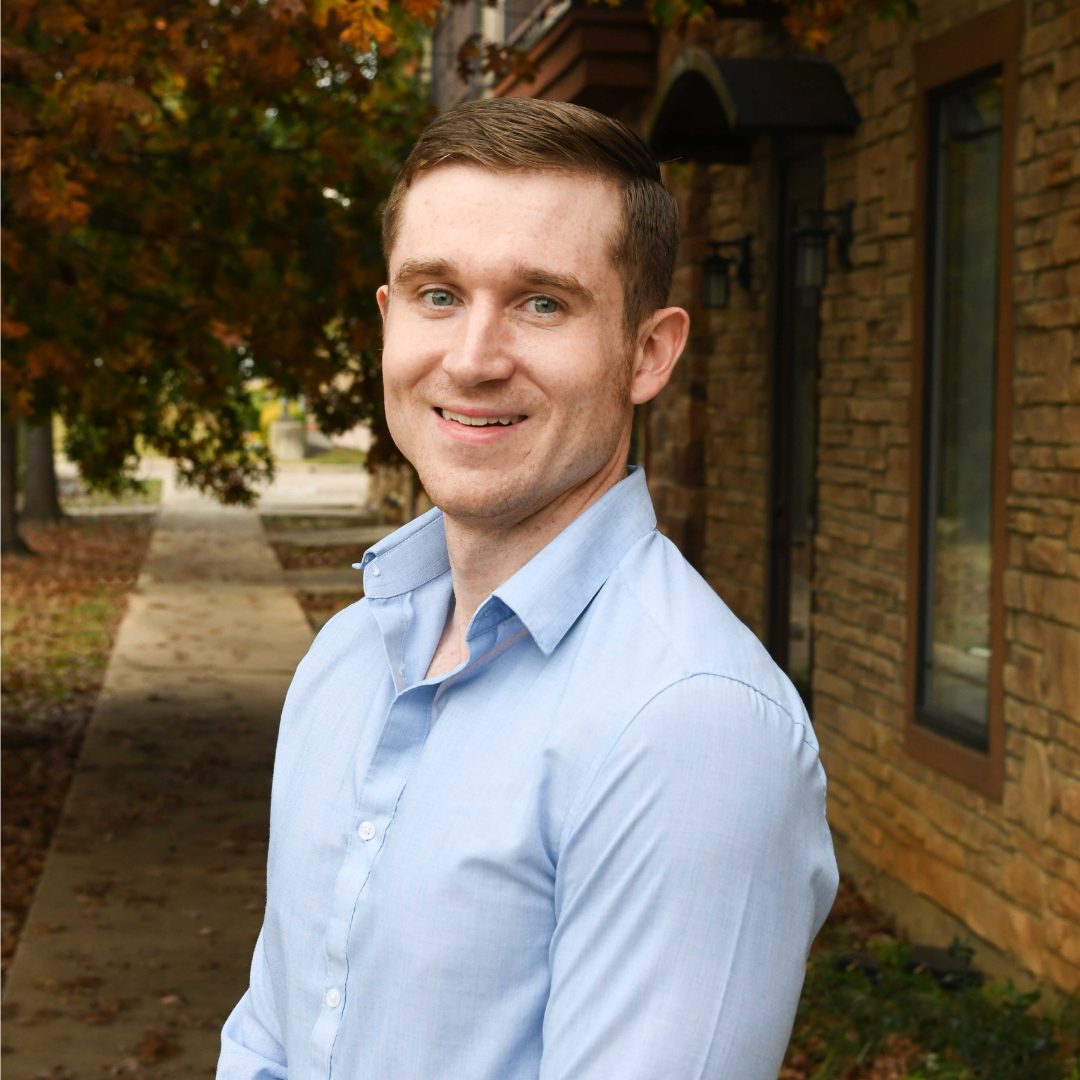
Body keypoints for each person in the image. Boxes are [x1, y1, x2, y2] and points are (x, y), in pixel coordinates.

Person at [219, 97, 838, 1080]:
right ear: (388, 320)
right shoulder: (345, 660)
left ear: (649, 352)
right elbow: (270, 1035)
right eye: (437, 295)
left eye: (541, 302)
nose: (472, 359)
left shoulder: (689, 726)